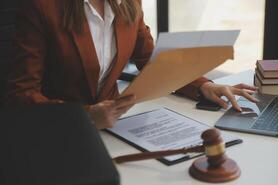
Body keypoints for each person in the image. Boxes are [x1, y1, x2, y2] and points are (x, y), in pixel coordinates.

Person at [6, 0, 258, 129]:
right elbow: (21, 96)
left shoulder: (129, 4)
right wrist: (85, 116)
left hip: (115, 128)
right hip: (57, 133)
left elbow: (152, 61)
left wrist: (204, 86)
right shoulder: (42, 8)